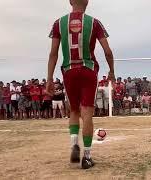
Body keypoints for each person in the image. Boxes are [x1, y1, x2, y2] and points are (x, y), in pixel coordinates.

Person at [46, 0, 115, 169]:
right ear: (87, 1)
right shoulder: (94, 22)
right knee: (87, 113)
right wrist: (112, 71)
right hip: (88, 69)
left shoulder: (58, 23)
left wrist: (49, 78)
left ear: (70, 1)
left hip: (69, 70)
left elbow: (53, 54)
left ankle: (74, 145)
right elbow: (107, 51)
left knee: (74, 110)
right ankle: (87, 157)